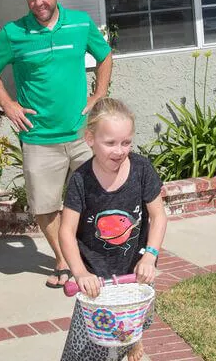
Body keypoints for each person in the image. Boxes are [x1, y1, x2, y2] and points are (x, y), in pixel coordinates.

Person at [0, 0, 113, 289]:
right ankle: (64, 258)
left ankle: (92, 257)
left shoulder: (80, 23)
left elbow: (105, 55)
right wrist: (9, 105)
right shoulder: (14, 32)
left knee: (99, 200)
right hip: (39, 137)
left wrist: (99, 93)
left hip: (83, 134)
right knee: (44, 206)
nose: (38, 2)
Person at [59, 98, 166, 361]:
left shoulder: (141, 169)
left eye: (126, 142)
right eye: (110, 143)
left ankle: (132, 342)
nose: (119, 150)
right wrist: (80, 272)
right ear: (90, 139)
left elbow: (158, 216)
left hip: (133, 272)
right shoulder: (81, 180)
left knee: (128, 327)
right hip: (96, 279)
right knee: (86, 347)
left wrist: (149, 256)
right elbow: (66, 232)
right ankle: (126, 344)